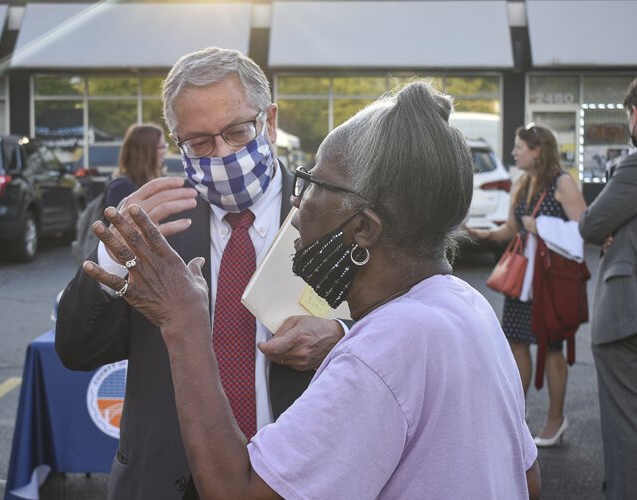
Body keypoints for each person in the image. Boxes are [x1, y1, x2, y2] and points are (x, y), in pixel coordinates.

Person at [86, 82, 541, 498]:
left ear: (363, 228)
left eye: (314, 184)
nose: (297, 206)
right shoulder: (467, 306)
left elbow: (234, 493)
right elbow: (527, 480)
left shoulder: (383, 351)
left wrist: (183, 320)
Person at [55, 47, 346, 499]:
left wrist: (340, 334)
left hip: (299, 476)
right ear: (176, 143)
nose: (224, 153)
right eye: (200, 144)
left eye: (237, 132)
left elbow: (397, 327)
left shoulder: (332, 214)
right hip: (169, 480)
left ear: (269, 122)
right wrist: (113, 253)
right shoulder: (154, 226)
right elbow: (76, 349)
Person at [468, 124, 586, 447]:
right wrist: (486, 235)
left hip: (549, 281)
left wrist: (543, 226)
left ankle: (555, 420)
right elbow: (512, 228)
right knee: (517, 343)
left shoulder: (562, 184)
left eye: (519, 147)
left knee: (552, 349)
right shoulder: (521, 183)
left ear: (537, 150)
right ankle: (518, 414)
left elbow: (585, 228)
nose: (513, 152)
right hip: (523, 283)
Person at [578, 77, 637, 500]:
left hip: (626, 316)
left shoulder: (634, 168)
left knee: (625, 425)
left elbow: (591, 224)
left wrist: (614, 226)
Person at [103, 123, 167, 208]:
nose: (165, 152)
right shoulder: (121, 188)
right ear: (145, 151)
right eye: (162, 147)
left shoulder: (154, 179)